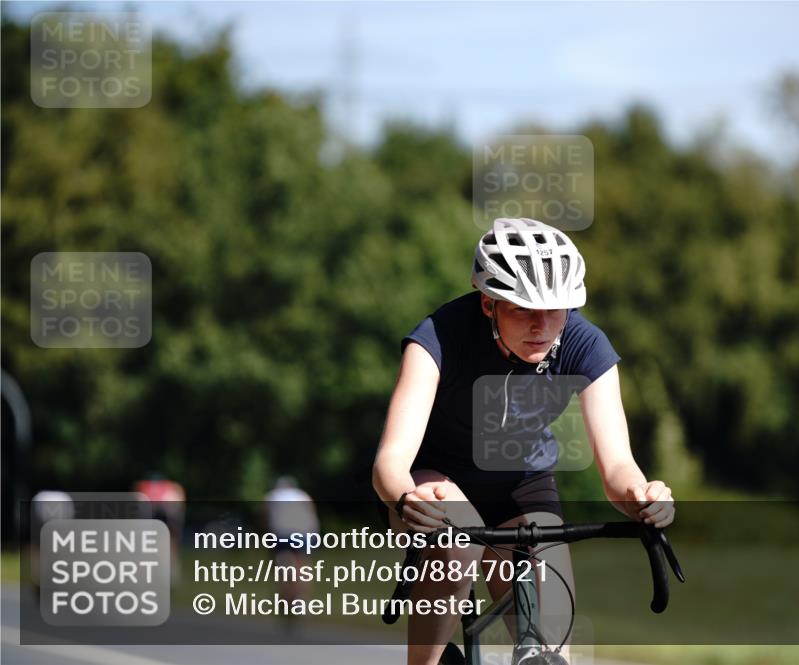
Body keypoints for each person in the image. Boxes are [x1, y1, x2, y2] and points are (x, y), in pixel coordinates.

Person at [372, 217, 676, 665]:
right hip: (437, 479)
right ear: (488, 304)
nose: (541, 325)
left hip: (523, 485)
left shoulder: (584, 343)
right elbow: (391, 460)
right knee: (456, 544)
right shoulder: (438, 337)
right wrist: (406, 498)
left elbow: (617, 467)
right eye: (522, 310)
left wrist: (643, 496)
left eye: (556, 310)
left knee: (552, 651)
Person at [263, 475, 320, 624]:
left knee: (283, 564)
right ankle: (301, 599)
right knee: (303, 564)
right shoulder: (302, 495)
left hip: (281, 531)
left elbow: (264, 516)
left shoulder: (272, 496)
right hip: (303, 531)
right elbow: (311, 512)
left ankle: (285, 596)